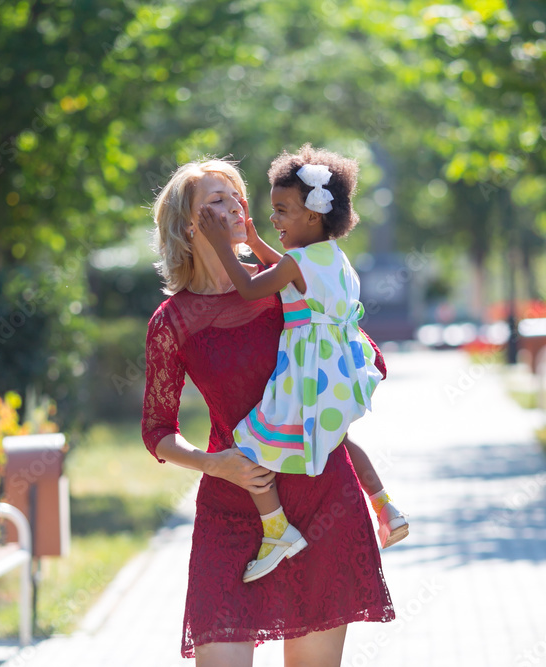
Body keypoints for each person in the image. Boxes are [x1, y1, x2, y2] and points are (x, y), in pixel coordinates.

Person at [143, 157, 394, 665]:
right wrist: (214, 464)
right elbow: (157, 431)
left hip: (321, 501)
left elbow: (365, 353)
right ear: (188, 224)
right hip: (231, 508)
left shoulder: (287, 281)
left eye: (236, 195)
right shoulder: (172, 321)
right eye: (217, 200)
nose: (236, 205)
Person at [197, 144, 408, 584]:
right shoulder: (333, 256)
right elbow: (294, 274)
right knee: (338, 440)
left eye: (282, 210)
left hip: (307, 375)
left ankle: (276, 529)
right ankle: (384, 504)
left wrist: (222, 245)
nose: (273, 218)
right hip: (340, 371)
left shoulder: (295, 261)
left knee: (250, 442)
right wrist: (254, 243)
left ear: (312, 216)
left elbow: (252, 289)